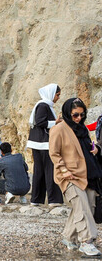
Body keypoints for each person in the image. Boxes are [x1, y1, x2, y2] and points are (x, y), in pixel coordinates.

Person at [49, 97, 102, 256]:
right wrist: (64, 170)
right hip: (69, 176)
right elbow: (54, 153)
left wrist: (95, 149)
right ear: (67, 113)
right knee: (82, 207)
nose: (79, 118)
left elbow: (87, 146)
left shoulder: (82, 129)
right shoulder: (58, 129)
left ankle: (68, 237)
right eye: (75, 115)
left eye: (81, 115)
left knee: (87, 207)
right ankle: (86, 241)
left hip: (88, 175)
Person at [26, 83, 63, 206]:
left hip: (39, 144)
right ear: (51, 94)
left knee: (40, 172)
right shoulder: (43, 105)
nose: (58, 98)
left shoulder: (45, 105)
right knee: (50, 171)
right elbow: (40, 122)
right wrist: (55, 122)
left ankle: (37, 200)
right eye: (57, 95)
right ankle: (54, 200)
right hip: (43, 144)